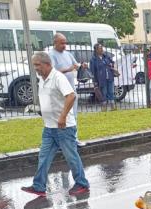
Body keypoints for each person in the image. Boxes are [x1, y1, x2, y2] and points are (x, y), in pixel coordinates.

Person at [21, 52, 89, 197]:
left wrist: (63, 116)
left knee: (71, 157)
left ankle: (82, 184)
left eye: (37, 65)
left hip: (64, 127)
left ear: (47, 64)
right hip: (49, 127)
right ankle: (39, 186)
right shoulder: (42, 78)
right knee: (44, 157)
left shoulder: (58, 77)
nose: (35, 68)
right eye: (34, 65)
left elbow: (71, 96)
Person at [49, 33, 87, 146]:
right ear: (55, 43)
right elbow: (51, 73)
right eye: (61, 43)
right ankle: (60, 141)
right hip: (59, 92)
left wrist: (81, 66)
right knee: (60, 116)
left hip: (71, 89)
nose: (64, 45)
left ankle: (73, 138)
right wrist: (68, 69)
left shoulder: (68, 54)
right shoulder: (51, 55)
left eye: (65, 42)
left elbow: (76, 65)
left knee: (73, 115)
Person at [90, 43, 116, 111]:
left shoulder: (106, 57)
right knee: (104, 93)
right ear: (96, 50)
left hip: (109, 77)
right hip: (101, 79)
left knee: (111, 92)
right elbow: (92, 71)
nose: (102, 49)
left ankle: (112, 106)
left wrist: (111, 65)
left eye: (102, 48)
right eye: (100, 48)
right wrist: (94, 81)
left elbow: (112, 63)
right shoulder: (93, 59)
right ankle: (104, 107)